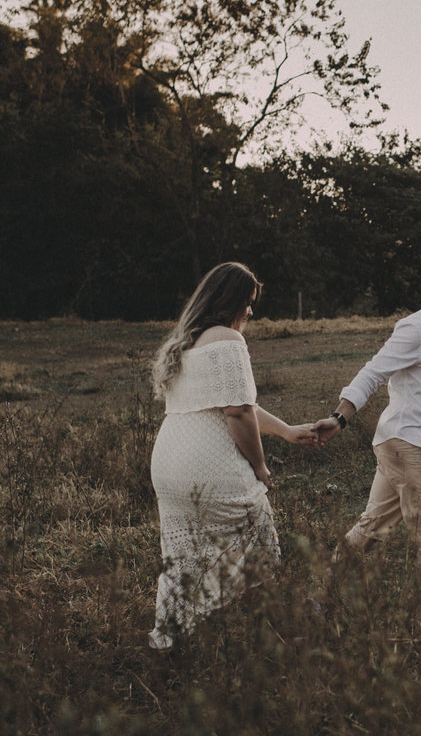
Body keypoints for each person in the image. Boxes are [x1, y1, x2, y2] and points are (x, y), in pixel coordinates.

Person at [147, 262, 318, 649]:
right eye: (249, 302)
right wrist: (259, 465)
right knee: (258, 537)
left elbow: (238, 405)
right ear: (232, 301)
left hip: (169, 463)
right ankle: (282, 629)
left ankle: (171, 638)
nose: (251, 312)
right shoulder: (226, 339)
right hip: (208, 463)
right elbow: (238, 412)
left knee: (184, 557)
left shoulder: (185, 341)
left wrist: (287, 431)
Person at [315, 252, 421, 568]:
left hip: (401, 442)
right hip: (410, 442)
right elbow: (374, 372)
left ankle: (322, 595)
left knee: (371, 526)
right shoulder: (418, 327)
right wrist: (340, 417)